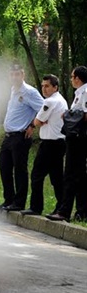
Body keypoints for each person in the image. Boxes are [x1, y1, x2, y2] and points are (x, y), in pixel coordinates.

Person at [0, 65, 43, 211]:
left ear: (23, 75)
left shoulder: (29, 92)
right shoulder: (13, 91)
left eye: (17, 74)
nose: (14, 77)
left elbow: (44, 108)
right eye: (12, 75)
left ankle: (19, 202)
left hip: (20, 136)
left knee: (19, 169)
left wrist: (32, 125)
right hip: (8, 136)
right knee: (4, 167)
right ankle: (8, 199)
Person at [22, 75, 68, 216]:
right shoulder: (61, 100)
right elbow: (40, 121)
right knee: (56, 177)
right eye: (42, 86)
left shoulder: (51, 101)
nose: (44, 89)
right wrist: (41, 121)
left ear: (55, 87)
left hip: (50, 144)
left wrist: (40, 121)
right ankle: (61, 207)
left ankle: (36, 207)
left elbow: (37, 121)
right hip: (59, 143)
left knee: (37, 175)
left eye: (47, 86)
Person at [47, 66, 87, 222]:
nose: (71, 80)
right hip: (75, 137)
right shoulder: (80, 92)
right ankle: (82, 211)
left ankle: (64, 211)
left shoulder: (84, 92)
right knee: (80, 176)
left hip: (79, 138)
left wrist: (69, 115)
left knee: (70, 175)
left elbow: (84, 115)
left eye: (72, 77)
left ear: (77, 78)